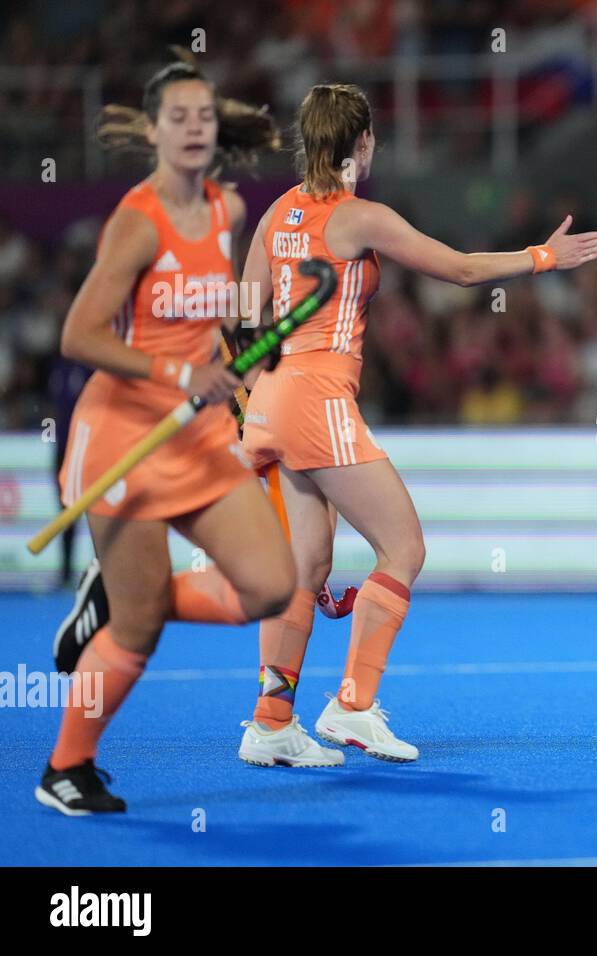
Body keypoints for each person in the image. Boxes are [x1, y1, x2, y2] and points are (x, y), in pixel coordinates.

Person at [235, 83, 597, 765]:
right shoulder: (359, 217)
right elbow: (461, 270)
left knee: (305, 568)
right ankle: (352, 706)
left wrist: (250, 400)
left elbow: (240, 317)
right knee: (403, 548)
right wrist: (542, 257)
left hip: (274, 398)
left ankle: (270, 723)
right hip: (318, 399)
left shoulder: (276, 212)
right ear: (363, 142)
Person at [39, 57, 294, 814]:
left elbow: (215, 314)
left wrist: (247, 347)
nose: (194, 128)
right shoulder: (136, 221)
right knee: (140, 630)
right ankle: (66, 769)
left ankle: (118, 596)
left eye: (204, 116)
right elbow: (79, 336)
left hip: (197, 434)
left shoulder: (227, 210)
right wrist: (180, 374)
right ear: (152, 131)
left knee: (270, 587)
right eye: (178, 117)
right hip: (123, 438)